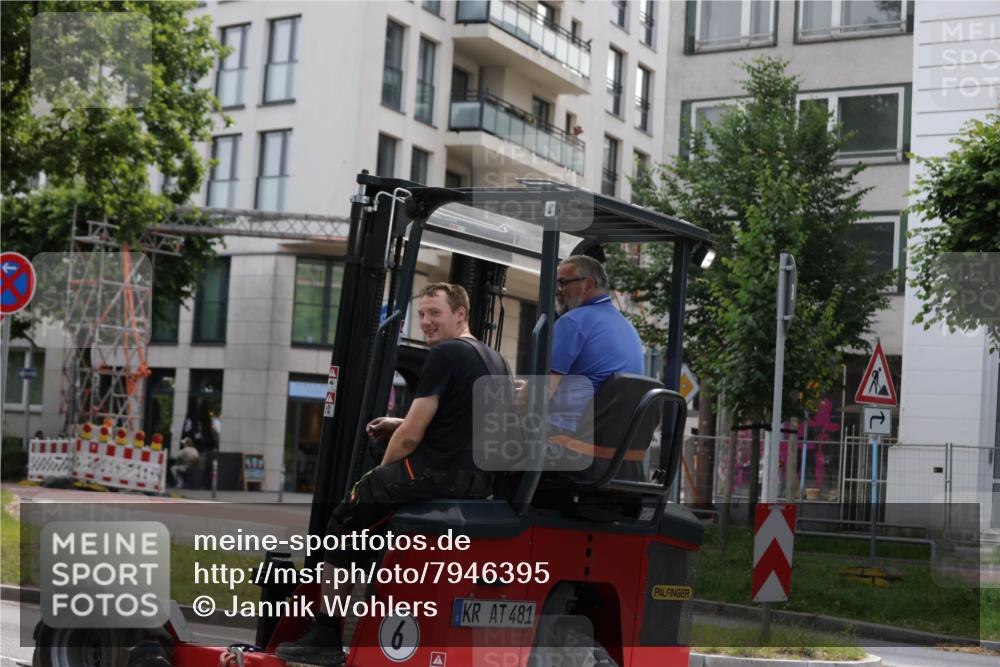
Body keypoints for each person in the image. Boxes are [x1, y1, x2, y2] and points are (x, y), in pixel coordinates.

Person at [276, 282, 502, 667]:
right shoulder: (494, 359)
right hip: (474, 480)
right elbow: (462, 423)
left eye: (435, 313)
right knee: (370, 528)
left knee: (344, 517)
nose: (427, 322)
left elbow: (411, 437)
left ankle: (325, 635)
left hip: (432, 473)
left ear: (460, 314)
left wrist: (377, 479)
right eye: (423, 315)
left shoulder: (447, 354)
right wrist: (397, 422)